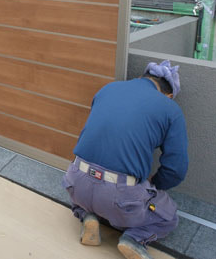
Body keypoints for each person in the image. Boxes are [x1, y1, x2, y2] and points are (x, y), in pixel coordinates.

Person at [62, 60, 188, 259]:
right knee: (168, 217)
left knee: (83, 190)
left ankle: (87, 215)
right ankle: (134, 239)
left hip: (76, 181)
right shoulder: (170, 109)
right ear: (169, 96)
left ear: (140, 78)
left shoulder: (108, 88)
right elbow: (176, 170)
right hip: (119, 196)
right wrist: (154, 185)